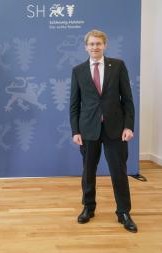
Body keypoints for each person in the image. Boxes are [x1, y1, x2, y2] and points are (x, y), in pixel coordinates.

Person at [69, 29, 137, 233]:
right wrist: (75, 131)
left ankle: (123, 212)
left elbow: (128, 100)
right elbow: (74, 104)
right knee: (88, 172)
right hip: (88, 129)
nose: (95, 47)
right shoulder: (78, 70)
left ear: (105, 45)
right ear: (85, 47)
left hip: (115, 129)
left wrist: (128, 126)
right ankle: (88, 208)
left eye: (98, 44)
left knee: (119, 172)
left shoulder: (117, 66)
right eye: (91, 44)